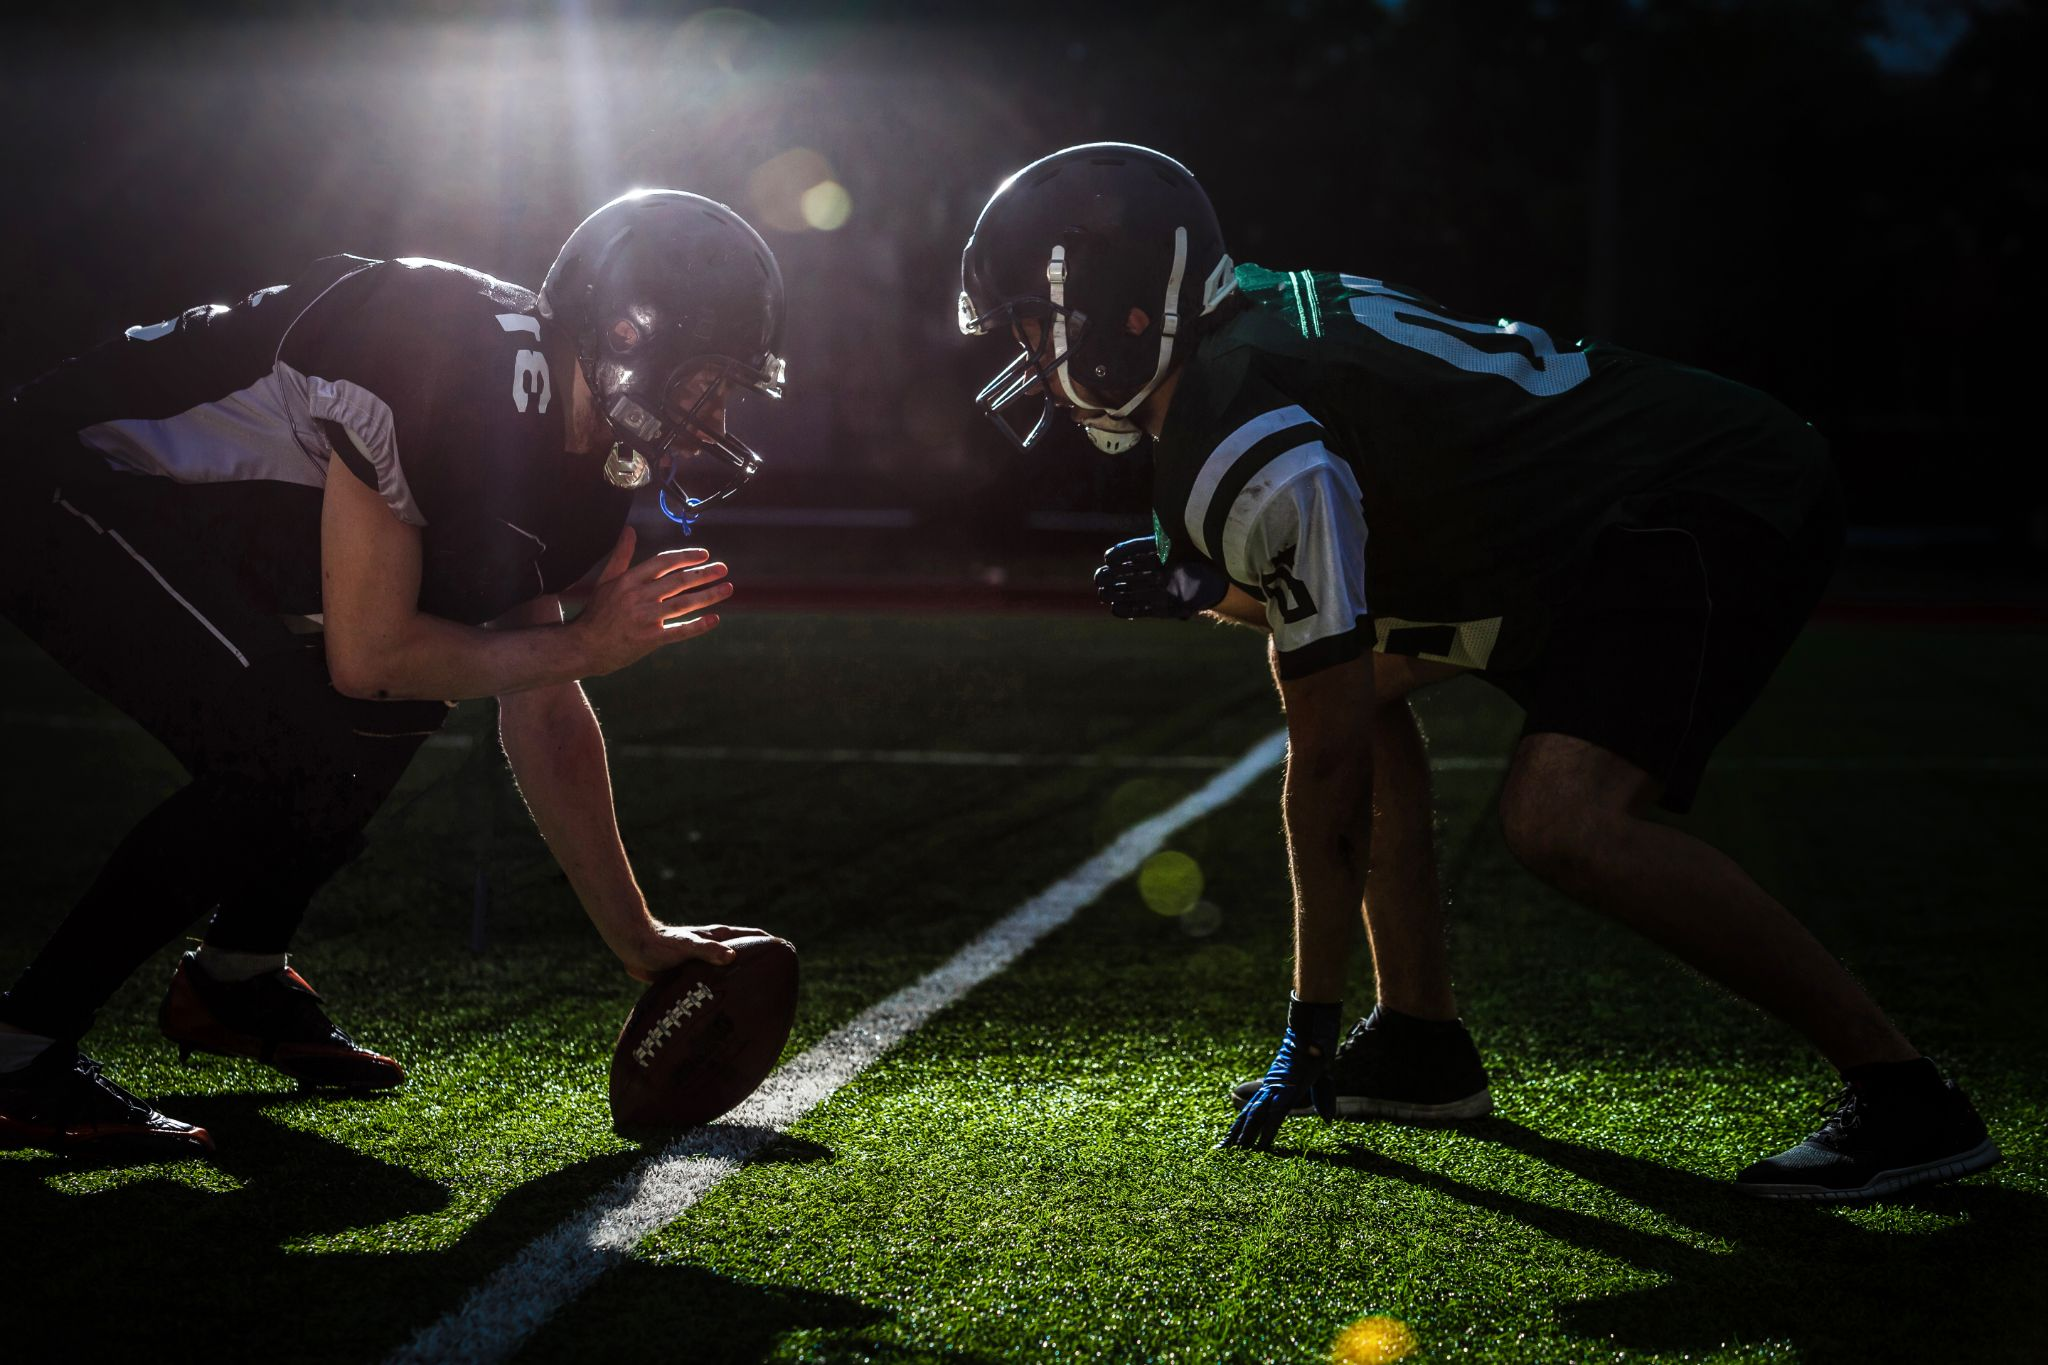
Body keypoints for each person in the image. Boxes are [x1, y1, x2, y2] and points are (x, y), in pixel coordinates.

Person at [955, 143, 2000, 1201]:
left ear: (1124, 310)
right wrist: (1198, 589)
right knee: (1368, 694)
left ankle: (1903, 1092)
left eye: (1036, 326)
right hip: (1589, 514)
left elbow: (1321, 761)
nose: (1030, 356)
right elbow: (1313, 584)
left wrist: (1304, 1028)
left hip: (1687, 499)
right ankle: (1417, 1041)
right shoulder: (1244, 326)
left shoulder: (1244, 425)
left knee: (1562, 821)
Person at [0, 189, 786, 1158]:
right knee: (289, 739)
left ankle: (233, 982)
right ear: (629, 333)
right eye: (705, 380)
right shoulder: (443, 353)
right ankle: (19, 1044)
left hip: (201, 528)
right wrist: (587, 643)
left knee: (410, 683)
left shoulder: (585, 471)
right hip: (57, 484)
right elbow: (369, 657)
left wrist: (638, 936)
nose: (712, 417)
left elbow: (538, 701)